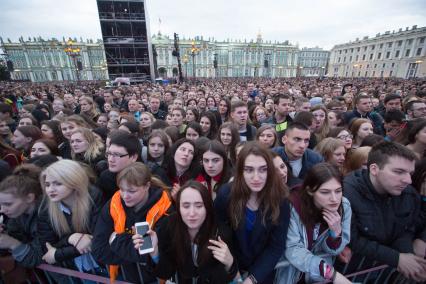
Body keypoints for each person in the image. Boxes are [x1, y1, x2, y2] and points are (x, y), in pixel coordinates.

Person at [343, 142, 426, 282]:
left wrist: (410, 256)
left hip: (388, 268)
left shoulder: (408, 195)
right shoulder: (346, 193)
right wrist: (397, 258)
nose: (408, 180)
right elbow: (352, 240)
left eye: (410, 173)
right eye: (399, 172)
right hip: (354, 270)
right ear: (374, 169)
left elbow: (406, 228)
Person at [215, 142, 291, 284]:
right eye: (249, 170)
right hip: (228, 267)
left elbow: (276, 246)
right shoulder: (226, 194)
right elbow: (219, 234)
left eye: (262, 170)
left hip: (261, 273)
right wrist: (233, 269)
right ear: (240, 171)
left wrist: (253, 279)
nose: (256, 178)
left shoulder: (280, 200)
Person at [133, 181, 238, 283]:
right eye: (186, 206)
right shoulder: (169, 225)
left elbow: (221, 279)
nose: (192, 213)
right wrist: (155, 252)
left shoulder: (221, 232)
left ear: (207, 207)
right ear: (178, 207)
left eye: (199, 206)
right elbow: (165, 273)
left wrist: (229, 263)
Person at [92, 162, 173, 283]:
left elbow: (155, 255)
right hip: (123, 277)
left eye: (131, 191)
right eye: (121, 189)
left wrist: (115, 240)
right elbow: (99, 250)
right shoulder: (113, 205)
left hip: (154, 279)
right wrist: (140, 253)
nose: (125, 196)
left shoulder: (165, 209)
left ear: (147, 186)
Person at [275, 163, 352, 284]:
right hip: (291, 275)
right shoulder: (292, 205)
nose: (334, 198)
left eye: (338, 191)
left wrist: (335, 235)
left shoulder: (344, 206)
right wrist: (331, 273)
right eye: (325, 192)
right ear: (310, 191)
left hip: (317, 278)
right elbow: (293, 249)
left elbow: (335, 250)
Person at [38, 160, 103, 278]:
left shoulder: (94, 197)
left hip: (107, 264)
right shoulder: (45, 209)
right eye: (47, 184)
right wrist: (70, 238)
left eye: (58, 184)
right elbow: (48, 247)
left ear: (74, 182)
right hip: (80, 271)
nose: (51, 189)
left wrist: (58, 255)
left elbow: (98, 238)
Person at [0, 164, 43, 268]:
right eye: (0, 204)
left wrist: (12, 243)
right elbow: (16, 237)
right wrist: (3, 235)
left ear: (29, 198)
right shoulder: (18, 216)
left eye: (8, 204)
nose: (2, 210)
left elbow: (37, 258)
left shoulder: (47, 216)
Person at [97, 132, 141, 201]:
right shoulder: (105, 177)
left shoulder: (143, 178)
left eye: (117, 155)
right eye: (109, 153)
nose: (111, 159)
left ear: (133, 157)